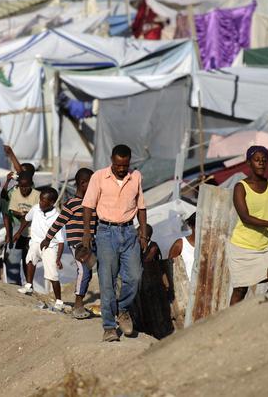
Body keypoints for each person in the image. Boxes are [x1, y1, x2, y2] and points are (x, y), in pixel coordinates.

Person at [82, 144, 147, 342]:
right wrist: (87, 233)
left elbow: (141, 206)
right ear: (112, 159)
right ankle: (109, 326)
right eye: (118, 165)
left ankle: (123, 309)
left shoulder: (135, 177)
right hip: (105, 232)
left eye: (125, 165)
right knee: (107, 281)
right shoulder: (99, 177)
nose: (121, 169)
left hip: (129, 231)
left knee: (135, 277)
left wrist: (143, 233)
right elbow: (88, 205)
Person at [228, 146, 268, 306]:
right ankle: (230, 323)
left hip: (267, 245)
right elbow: (245, 217)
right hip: (243, 246)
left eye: (264, 160)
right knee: (240, 290)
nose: (261, 164)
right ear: (249, 163)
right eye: (257, 160)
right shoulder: (240, 187)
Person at [42, 168, 97, 319]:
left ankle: (83, 300)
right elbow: (59, 222)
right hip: (78, 245)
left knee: (89, 273)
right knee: (84, 271)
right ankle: (78, 304)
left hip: (91, 244)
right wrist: (48, 238)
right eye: (92, 185)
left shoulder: (93, 204)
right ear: (83, 183)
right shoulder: (72, 204)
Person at [14, 187, 66, 310]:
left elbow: (61, 241)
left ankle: (59, 300)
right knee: (30, 260)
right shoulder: (36, 208)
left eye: (44, 201)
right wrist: (19, 232)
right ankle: (29, 285)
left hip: (50, 246)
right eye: (40, 199)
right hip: (35, 242)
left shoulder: (57, 217)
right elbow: (26, 220)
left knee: (52, 274)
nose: (41, 202)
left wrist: (58, 258)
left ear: (52, 202)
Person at [131, 224, 174, 339]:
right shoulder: (134, 247)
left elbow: (147, 260)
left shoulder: (152, 246)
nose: (137, 238)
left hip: (154, 285)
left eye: (140, 236)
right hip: (142, 287)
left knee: (158, 313)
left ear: (147, 237)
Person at [6, 171, 40, 284]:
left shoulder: (37, 195)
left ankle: (29, 284)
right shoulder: (15, 194)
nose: (23, 189)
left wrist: (25, 217)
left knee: (29, 259)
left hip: (32, 231)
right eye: (21, 186)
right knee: (13, 257)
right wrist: (21, 214)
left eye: (26, 187)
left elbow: (32, 216)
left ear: (31, 185)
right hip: (18, 227)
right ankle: (14, 285)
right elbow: (13, 210)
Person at [168, 213, 196, 280]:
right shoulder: (181, 244)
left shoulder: (210, 246)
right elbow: (170, 267)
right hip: (186, 287)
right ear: (191, 226)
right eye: (198, 226)